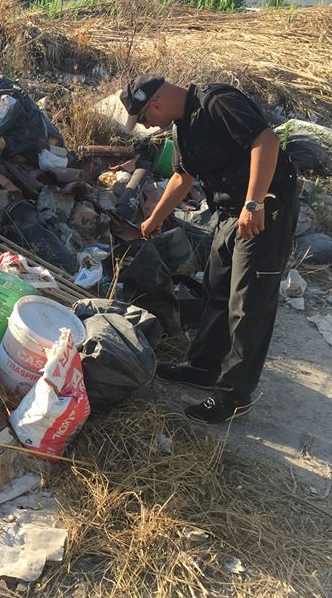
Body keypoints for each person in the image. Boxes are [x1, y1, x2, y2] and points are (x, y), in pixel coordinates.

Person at [119, 74, 298, 424]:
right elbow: (182, 176)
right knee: (217, 287)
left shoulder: (216, 101)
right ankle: (203, 366)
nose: (146, 125)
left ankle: (234, 397)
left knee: (248, 302)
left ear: (153, 103)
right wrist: (155, 218)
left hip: (263, 208)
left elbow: (266, 141)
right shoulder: (181, 126)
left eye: (143, 119)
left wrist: (254, 202)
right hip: (232, 212)